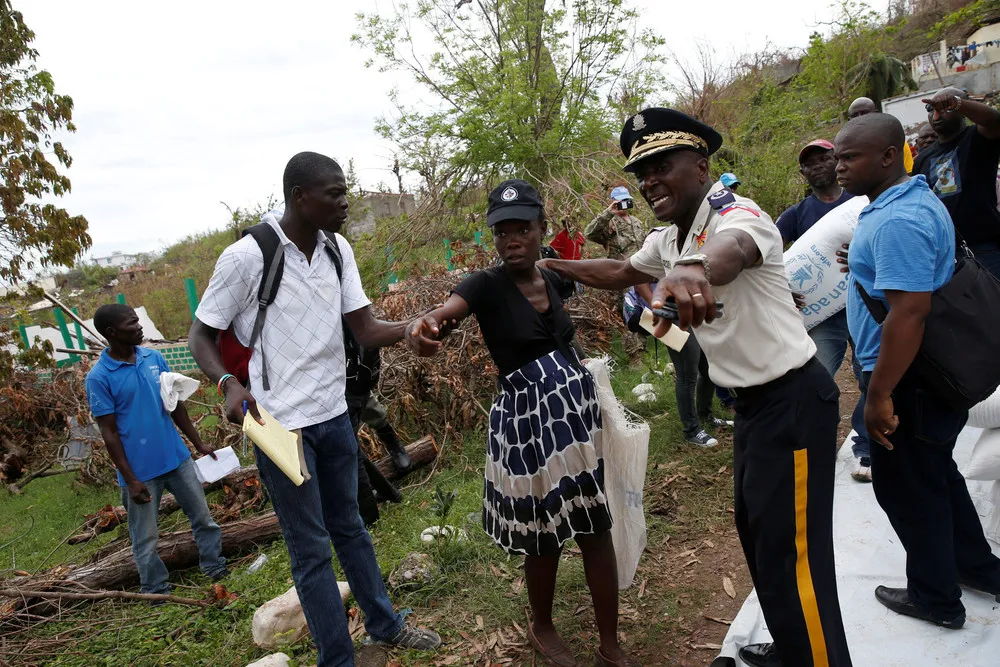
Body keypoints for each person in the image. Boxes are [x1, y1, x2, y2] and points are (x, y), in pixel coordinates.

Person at [538, 108, 852, 667]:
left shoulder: (741, 215)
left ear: (701, 164)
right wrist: (559, 269)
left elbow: (729, 251)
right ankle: (791, 645)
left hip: (794, 402)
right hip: (754, 410)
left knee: (795, 553)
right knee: (757, 534)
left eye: (661, 165)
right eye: (641, 172)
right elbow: (621, 271)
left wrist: (693, 269)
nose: (649, 180)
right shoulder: (666, 238)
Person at [188, 152, 440, 666]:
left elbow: (365, 328)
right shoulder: (246, 257)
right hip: (279, 427)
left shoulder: (336, 248)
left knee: (349, 526)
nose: (345, 202)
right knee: (310, 550)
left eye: (344, 191)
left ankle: (385, 625)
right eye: (334, 193)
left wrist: (411, 330)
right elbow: (200, 333)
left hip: (334, 416)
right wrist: (228, 384)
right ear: (299, 196)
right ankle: (337, 658)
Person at [407, 179, 637, 667]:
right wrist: (429, 326)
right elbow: (448, 311)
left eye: (523, 230)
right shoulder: (485, 285)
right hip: (529, 423)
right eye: (502, 232)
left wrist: (562, 263)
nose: (511, 240)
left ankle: (610, 644)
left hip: (576, 412)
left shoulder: (552, 277)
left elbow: (614, 272)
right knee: (545, 530)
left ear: (541, 229)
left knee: (595, 523)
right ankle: (542, 623)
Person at [836, 112, 1000, 629]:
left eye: (849, 157)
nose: (839, 167)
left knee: (908, 486)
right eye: (837, 156)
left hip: (910, 376)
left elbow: (910, 312)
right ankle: (975, 567)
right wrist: (864, 262)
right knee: (935, 472)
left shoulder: (897, 220)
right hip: (924, 373)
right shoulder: (909, 199)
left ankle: (936, 598)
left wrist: (879, 393)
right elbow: (909, 278)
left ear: (888, 156)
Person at [86, 304, 229, 596]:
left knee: (203, 518)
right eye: (132, 324)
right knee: (146, 537)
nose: (140, 328)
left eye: (139, 322)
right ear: (112, 332)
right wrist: (131, 478)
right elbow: (109, 433)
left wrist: (198, 443)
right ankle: (156, 590)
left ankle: (215, 567)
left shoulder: (154, 358)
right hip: (140, 473)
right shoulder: (99, 377)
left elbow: (175, 405)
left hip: (177, 460)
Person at [778, 139, 872, 482]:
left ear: (837, 162)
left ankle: (865, 447)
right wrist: (782, 286)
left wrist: (865, 255)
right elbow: (766, 256)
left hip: (865, 306)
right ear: (803, 173)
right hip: (824, 317)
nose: (816, 165)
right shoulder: (796, 215)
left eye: (823, 158)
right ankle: (818, 446)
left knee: (869, 376)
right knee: (816, 381)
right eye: (808, 162)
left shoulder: (861, 203)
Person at [911, 87, 1000, 279]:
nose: (937, 114)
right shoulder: (922, 159)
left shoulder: (977, 138)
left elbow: (995, 121)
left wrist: (957, 104)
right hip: (943, 255)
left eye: (945, 108)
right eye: (931, 109)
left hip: (983, 249)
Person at [848, 97, 914, 173]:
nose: (860, 118)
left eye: (864, 113)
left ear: (876, 114)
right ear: (849, 120)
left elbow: (908, 175)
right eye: (855, 115)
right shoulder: (845, 150)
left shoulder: (897, 143)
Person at [584, 186, 647, 260]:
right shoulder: (607, 222)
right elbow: (588, 233)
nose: (624, 203)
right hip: (621, 268)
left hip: (641, 265)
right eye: (620, 200)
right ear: (613, 202)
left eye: (626, 200)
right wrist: (608, 212)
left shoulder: (636, 221)